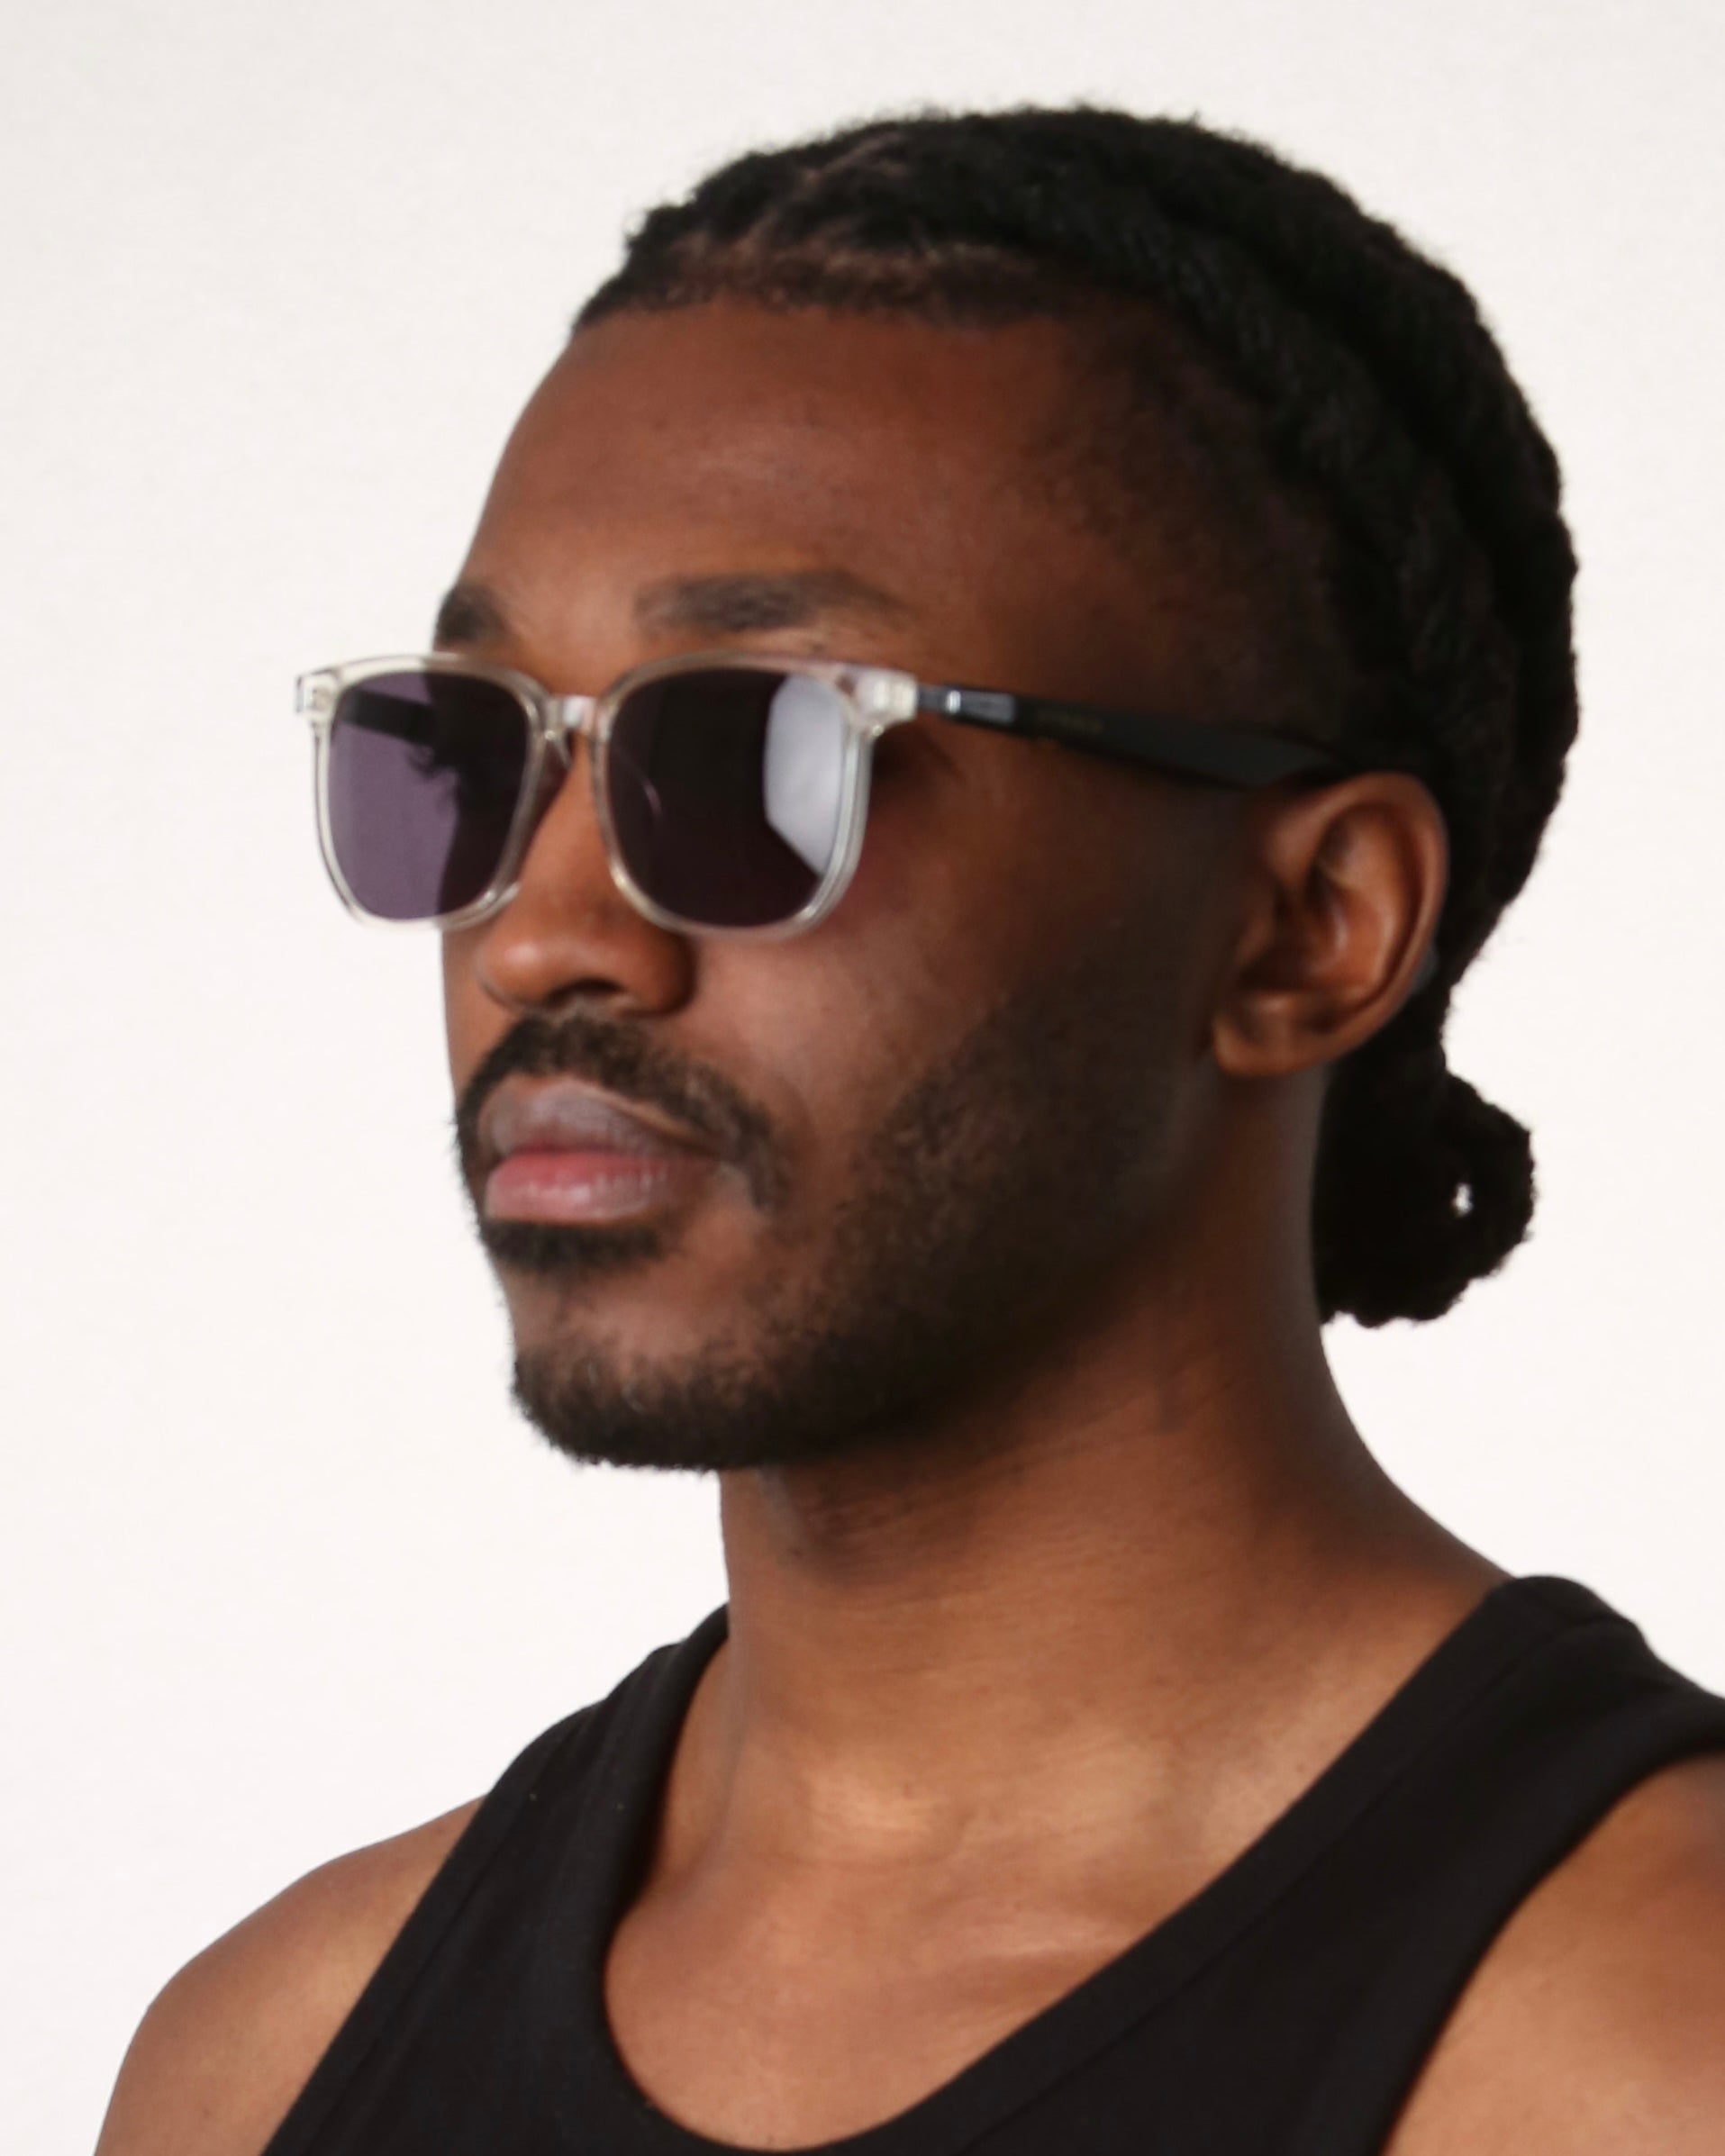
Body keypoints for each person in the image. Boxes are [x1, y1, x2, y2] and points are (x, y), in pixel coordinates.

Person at [96, 107, 1725, 2156]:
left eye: (753, 752)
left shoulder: (1647, 2051)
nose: (541, 934)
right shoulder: (260, 2072)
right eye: (472, 750)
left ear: (1310, 925)